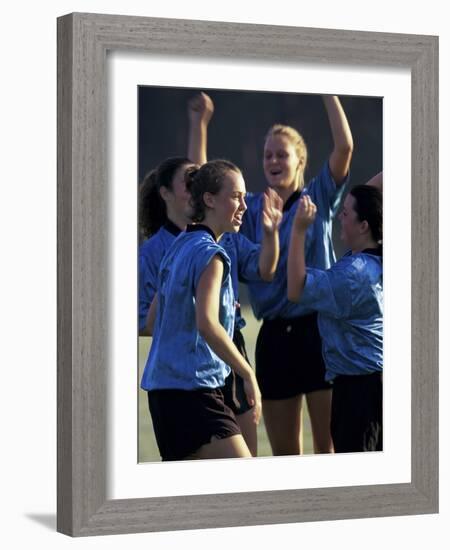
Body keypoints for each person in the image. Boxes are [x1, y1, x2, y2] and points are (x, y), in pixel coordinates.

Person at [188, 93, 353, 455]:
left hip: (320, 331)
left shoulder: (318, 198)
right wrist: (199, 126)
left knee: (327, 450)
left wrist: (330, 88)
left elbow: (344, 146)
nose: (274, 160)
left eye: (282, 154)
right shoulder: (248, 209)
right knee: (284, 455)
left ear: (300, 161)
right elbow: (205, 187)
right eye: (268, 155)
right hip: (275, 337)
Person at [141, 159, 265, 461]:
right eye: (235, 196)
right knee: (246, 487)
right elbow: (207, 324)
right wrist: (247, 373)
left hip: (162, 394)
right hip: (192, 392)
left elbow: (154, 320)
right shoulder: (212, 255)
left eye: (244, 197)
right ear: (209, 199)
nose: (244, 206)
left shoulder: (177, 245)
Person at [287, 184, 383, 452]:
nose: (340, 216)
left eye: (345, 213)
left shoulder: (352, 275)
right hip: (376, 384)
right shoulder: (376, 259)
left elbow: (296, 288)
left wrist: (298, 229)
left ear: (363, 225)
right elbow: (371, 192)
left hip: (358, 393)